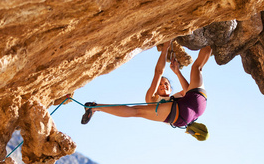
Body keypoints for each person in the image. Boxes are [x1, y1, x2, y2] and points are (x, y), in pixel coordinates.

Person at [81, 41, 212, 139]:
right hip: (190, 111)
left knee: (197, 68)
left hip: (193, 109)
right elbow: (158, 72)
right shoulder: (152, 98)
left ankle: (211, 45)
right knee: (136, 111)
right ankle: (95, 107)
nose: (163, 86)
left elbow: (188, 91)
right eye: (161, 85)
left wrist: (177, 73)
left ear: (171, 88)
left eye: (166, 84)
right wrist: (165, 48)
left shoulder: (176, 98)